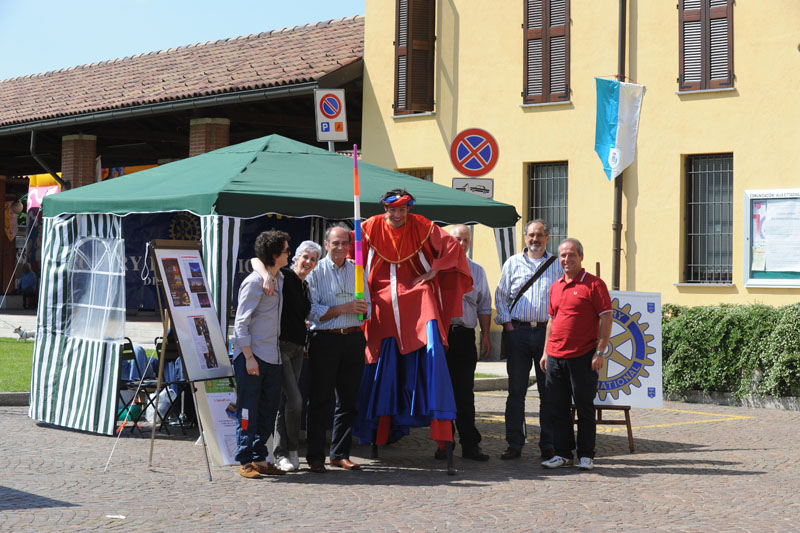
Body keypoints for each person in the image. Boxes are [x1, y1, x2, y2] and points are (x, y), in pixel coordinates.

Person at [353, 189, 473, 457]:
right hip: (382, 300)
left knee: (427, 313)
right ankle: (379, 430)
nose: (397, 215)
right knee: (379, 361)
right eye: (393, 210)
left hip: (416, 295)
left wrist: (434, 270)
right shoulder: (369, 226)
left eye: (403, 210)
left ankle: (443, 436)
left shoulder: (422, 225)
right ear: (385, 208)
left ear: (409, 209)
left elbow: (452, 246)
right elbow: (347, 251)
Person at [540, 238, 612, 471]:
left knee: (584, 407)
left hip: (583, 356)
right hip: (555, 356)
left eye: (571, 255)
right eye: (562, 255)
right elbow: (552, 321)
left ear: (581, 257)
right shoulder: (556, 285)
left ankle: (586, 455)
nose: (566, 260)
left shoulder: (594, 285)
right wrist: (545, 352)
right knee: (557, 407)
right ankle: (563, 453)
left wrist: (600, 351)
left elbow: (606, 318)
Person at [494, 219, 563, 461]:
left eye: (540, 235)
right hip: (519, 334)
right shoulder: (513, 263)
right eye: (531, 235)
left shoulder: (557, 265)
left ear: (547, 238)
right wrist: (509, 325)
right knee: (516, 391)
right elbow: (501, 295)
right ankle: (514, 443)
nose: (535, 239)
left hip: (547, 336)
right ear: (525, 238)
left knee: (549, 393)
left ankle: (549, 444)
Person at [251, 240, 322, 472]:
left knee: (285, 403)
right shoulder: (284, 277)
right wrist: (264, 276)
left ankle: (284, 453)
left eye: (313, 259)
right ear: (296, 258)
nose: (309, 262)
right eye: (305, 257)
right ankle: (287, 451)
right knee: (296, 400)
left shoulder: (305, 285)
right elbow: (256, 261)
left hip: (298, 348)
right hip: (280, 347)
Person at [305, 225, 370, 473]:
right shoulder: (316, 271)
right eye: (336, 243)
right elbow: (313, 312)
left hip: (353, 339)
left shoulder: (357, 270)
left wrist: (364, 308)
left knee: (348, 400)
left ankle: (340, 453)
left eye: (345, 243)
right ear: (326, 244)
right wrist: (345, 307)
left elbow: (369, 307)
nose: (341, 248)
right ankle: (315, 455)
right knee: (320, 400)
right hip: (325, 340)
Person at [231, 230, 290, 479]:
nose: (290, 254)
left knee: (268, 408)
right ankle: (245, 459)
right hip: (253, 356)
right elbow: (240, 323)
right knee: (247, 408)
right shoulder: (255, 282)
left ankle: (259, 456)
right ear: (275, 255)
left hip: (272, 356)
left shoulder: (279, 279)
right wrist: (249, 357)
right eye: (287, 250)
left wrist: (266, 273)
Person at [435, 224, 492, 462]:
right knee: (441, 392)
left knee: (465, 394)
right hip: (442, 336)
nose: (461, 244)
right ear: (449, 241)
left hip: (466, 335)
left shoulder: (477, 271)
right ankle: (443, 444)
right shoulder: (437, 268)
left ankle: (470, 444)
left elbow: (484, 305)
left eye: (466, 240)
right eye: (457, 239)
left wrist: (486, 335)